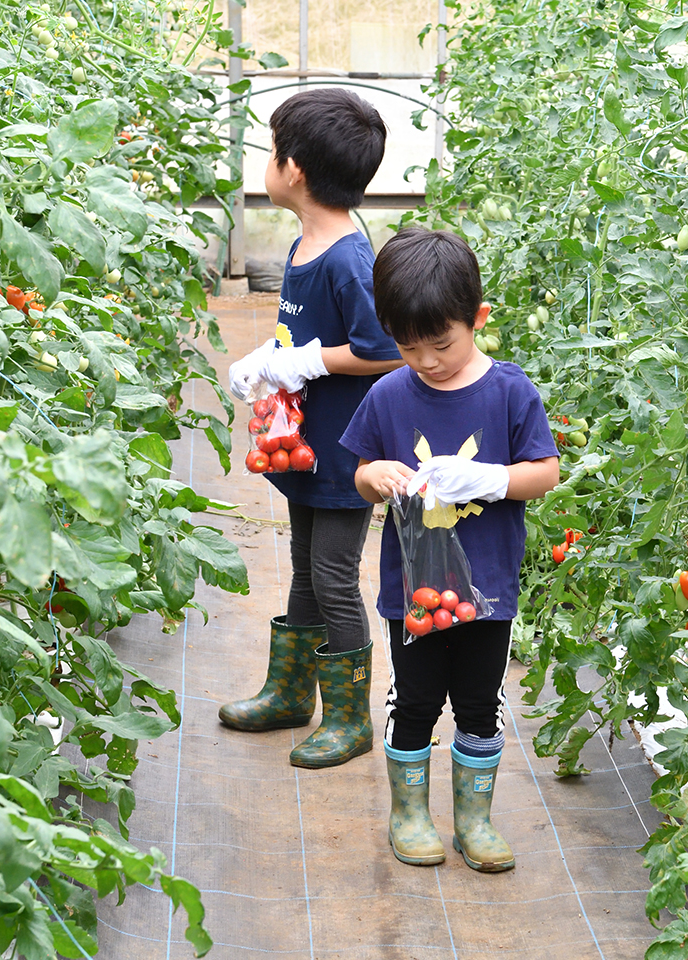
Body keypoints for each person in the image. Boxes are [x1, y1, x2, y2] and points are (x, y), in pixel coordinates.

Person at [339, 228, 560, 872]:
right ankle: (408, 815)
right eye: (409, 347)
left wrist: (491, 479)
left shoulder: (510, 392)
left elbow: (544, 473)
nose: (428, 361)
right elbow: (361, 472)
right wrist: (376, 476)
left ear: (478, 320)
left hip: (488, 587)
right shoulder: (388, 394)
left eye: (442, 343)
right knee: (413, 700)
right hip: (415, 592)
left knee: (479, 701)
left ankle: (474, 820)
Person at [219, 89, 403, 770]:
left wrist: (301, 360)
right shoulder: (308, 242)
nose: (266, 164)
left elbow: (384, 349)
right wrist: (272, 365)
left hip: (347, 449)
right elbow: (308, 337)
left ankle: (351, 718)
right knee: (305, 566)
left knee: (331, 574)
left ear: (293, 168)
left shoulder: (348, 258)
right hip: (303, 443)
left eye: (270, 151)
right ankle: (290, 695)